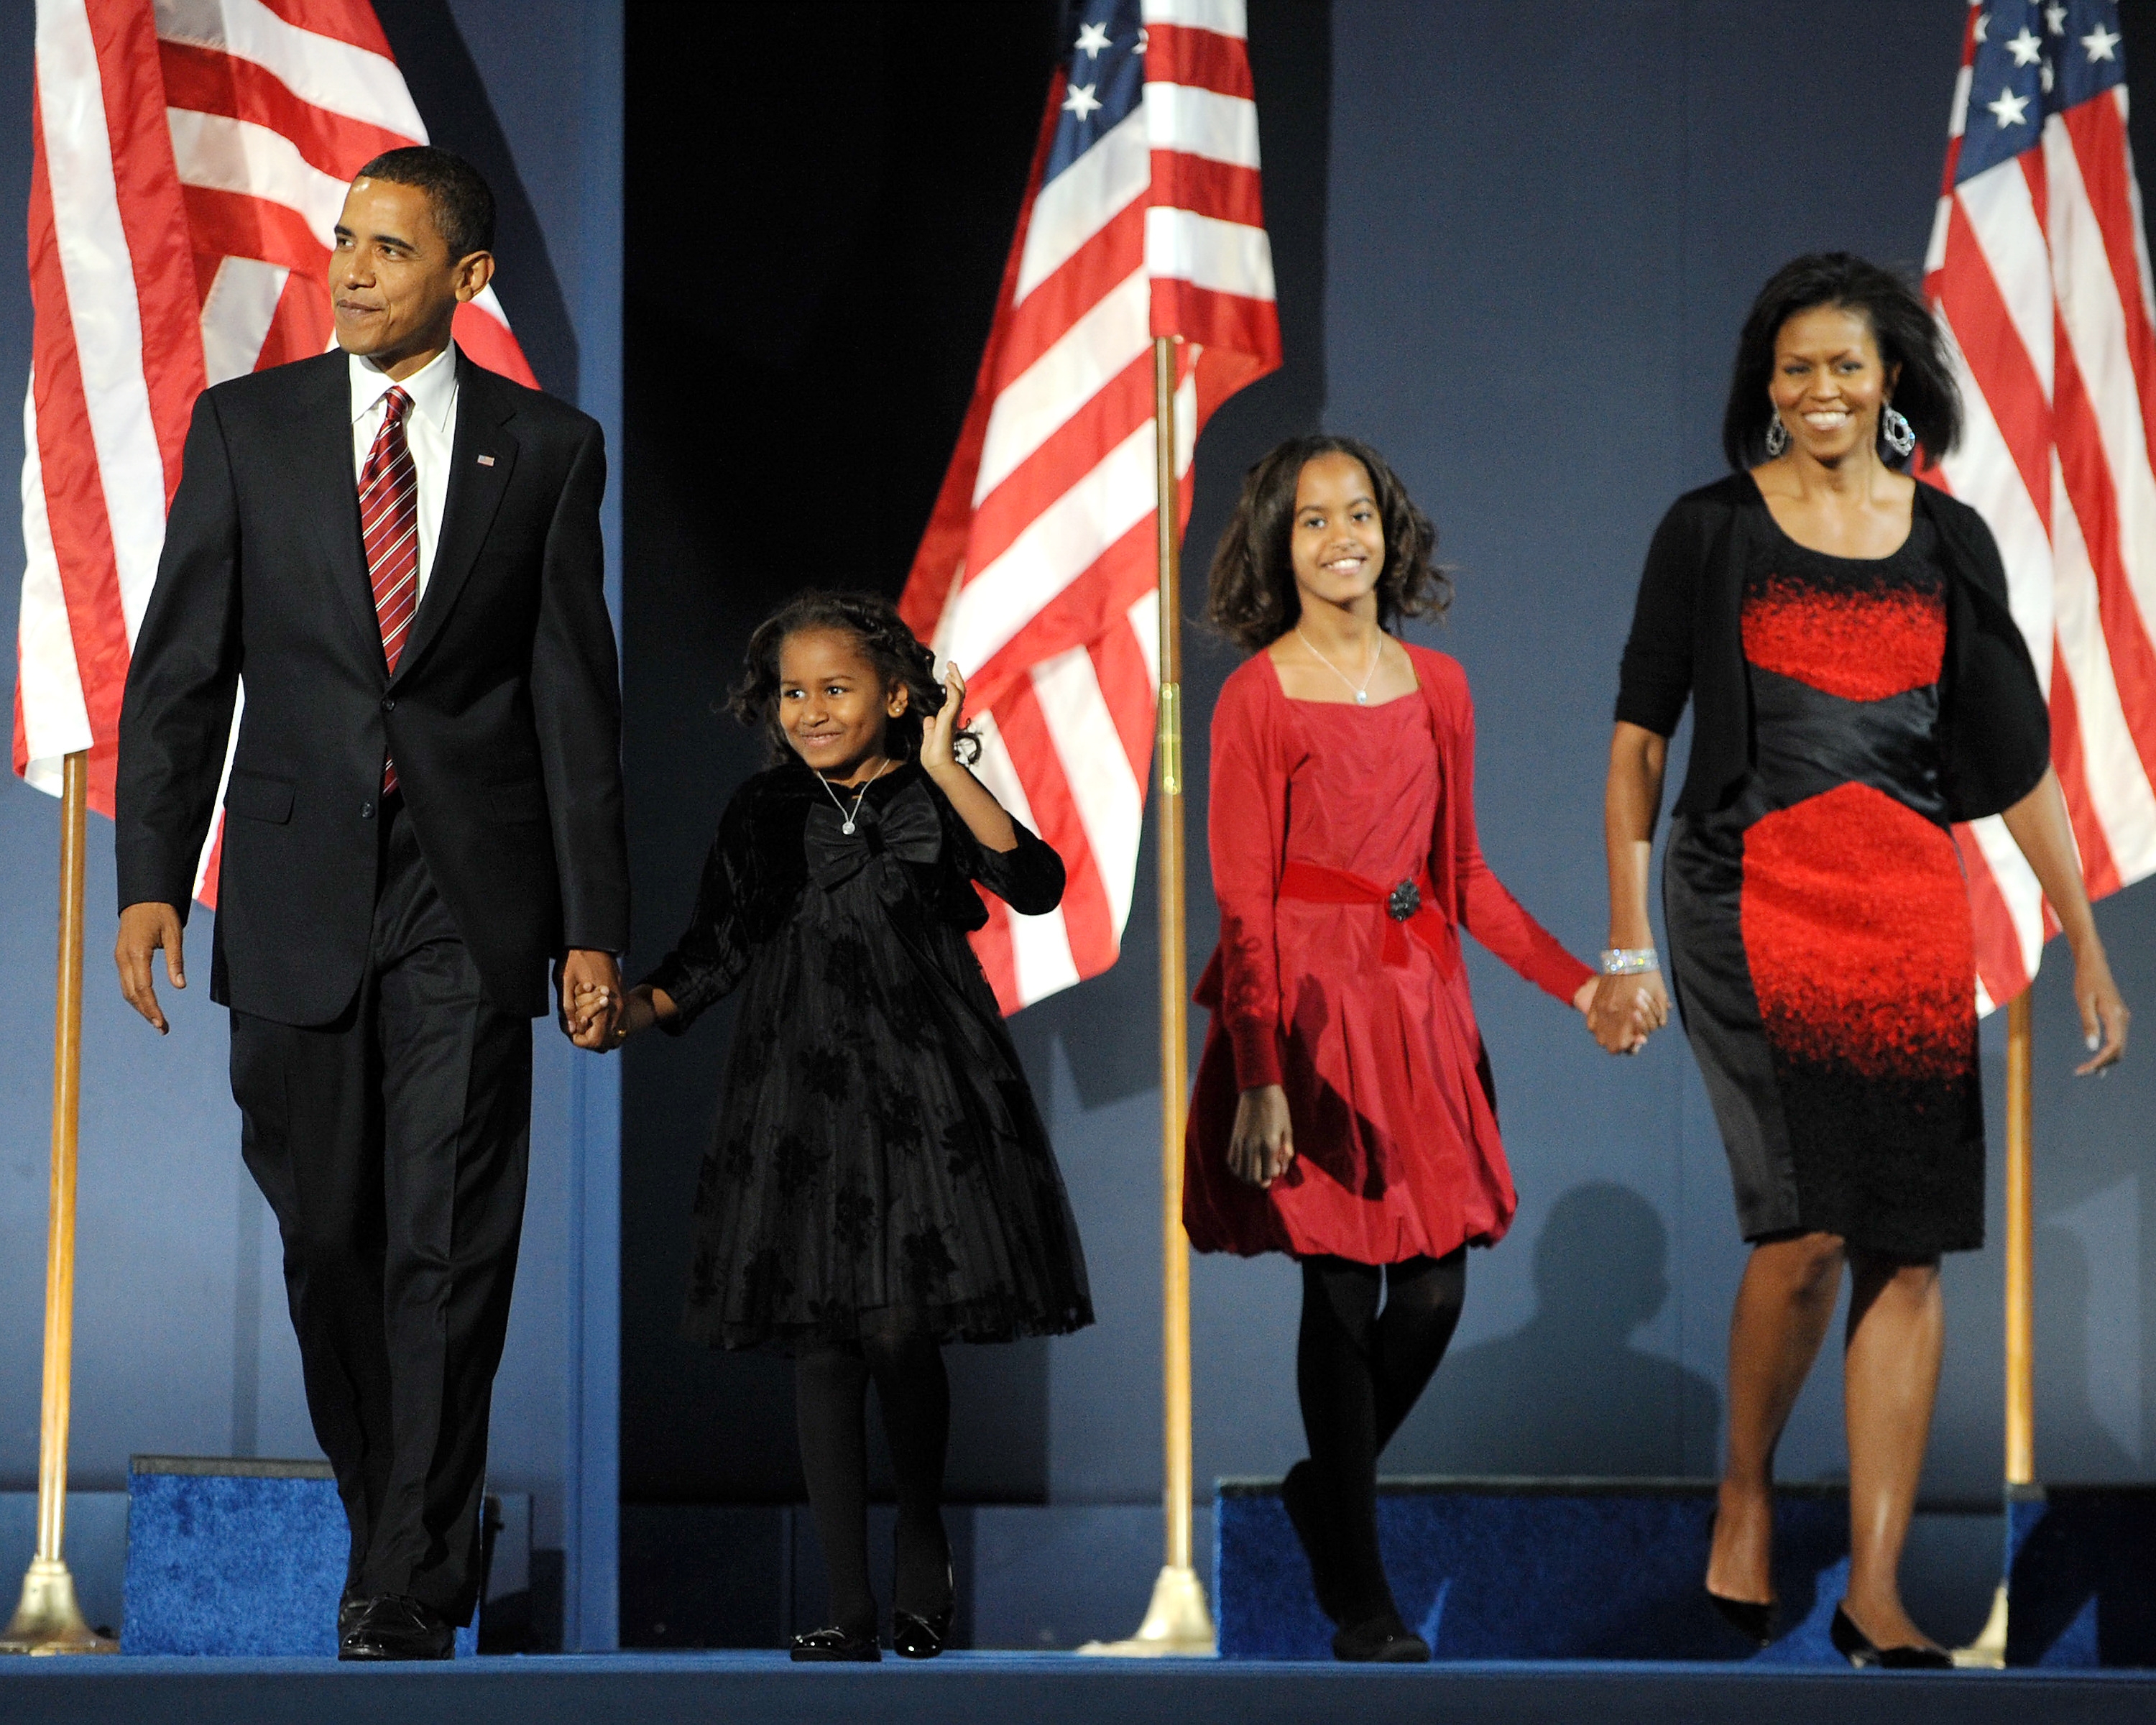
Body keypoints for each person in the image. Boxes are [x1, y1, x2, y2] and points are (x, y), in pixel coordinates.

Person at [114, 147, 630, 1661]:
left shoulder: (546, 450)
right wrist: (153, 880)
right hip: (289, 890)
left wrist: (590, 921)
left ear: (464, 279)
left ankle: (408, 1573)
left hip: (469, 899)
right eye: (342, 240)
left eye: (387, 249)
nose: (348, 269)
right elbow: (181, 674)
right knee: (329, 1238)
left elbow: (571, 704)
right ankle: (387, 1514)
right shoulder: (249, 429)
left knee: (448, 1246)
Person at [1595, 253, 2129, 1668]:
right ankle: (1749, 1486)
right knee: (1810, 1229)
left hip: (1904, 906)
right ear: (1763, 386)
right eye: (1794, 367)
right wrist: (1625, 936)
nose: (1819, 389)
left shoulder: (1950, 540)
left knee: (1906, 1247)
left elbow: (2015, 766)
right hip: (1743, 897)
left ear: (1891, 376)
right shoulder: (1707, 530)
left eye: (1845, 364)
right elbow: (1639, 746)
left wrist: (2085, 944)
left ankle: (1877, 1591)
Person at [590, 592, 1091, 1661]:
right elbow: (718, 945)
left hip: (927, 1089)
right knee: (823, 1340)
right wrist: (633, 1012)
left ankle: (921, 1550)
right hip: (800, 1087)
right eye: (794, 692)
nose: (812, 708)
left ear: (896, 693)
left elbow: (1037, 885)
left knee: (901, 1326)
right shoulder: (762, 810)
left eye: (837, 688)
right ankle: (851, 1608)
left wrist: (952, 766)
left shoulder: (934, 788)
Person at [1183, 435, 1603, 1662]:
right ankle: (1362, 1602)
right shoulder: (1257, 695)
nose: (1339, 536)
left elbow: (1463, 874)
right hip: (1306, 1019)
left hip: (1416, 1006)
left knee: (1433, 1288)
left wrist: (1579, 986)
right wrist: (1260, 1070)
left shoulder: (1442, 687)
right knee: (1337, 1284)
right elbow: (1245, 903)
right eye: (1311, 521)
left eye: (1356, 512)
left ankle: (1326, 1493)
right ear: (1280, 546)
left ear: (1389, 529)